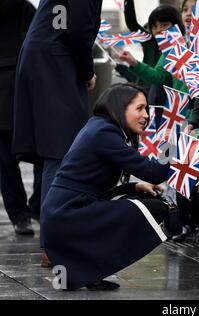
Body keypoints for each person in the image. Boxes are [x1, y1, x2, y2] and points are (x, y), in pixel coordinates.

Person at [42, 83, 171, 291]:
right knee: (156, 209)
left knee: (141, 204)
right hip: (67, 218)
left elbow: (90, 187)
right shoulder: (105, 133)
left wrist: (135, 186)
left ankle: (90, 271)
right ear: (120, 107)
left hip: (62, 216)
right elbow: (155, 172)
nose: (145, 115)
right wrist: (171, 146)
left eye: (146, 108)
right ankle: (91, 268)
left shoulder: (100, 126)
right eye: (139, 108)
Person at [12, 0, 102, 265]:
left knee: (56, 151)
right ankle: (54, 244)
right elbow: (79, 29)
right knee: (60, 152)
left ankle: (53, 241)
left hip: (45, 58)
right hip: (55, 61)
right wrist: (87, 70)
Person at [0, 0, 42, 235]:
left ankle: (22, 214)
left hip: (19, 83)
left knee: (7, 160)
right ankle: (31, 208)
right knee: (39, 152)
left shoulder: (24, 7)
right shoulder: (25, 7)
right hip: (25, 83)